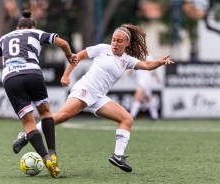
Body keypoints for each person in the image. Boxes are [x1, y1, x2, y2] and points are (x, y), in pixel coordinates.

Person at [12, 23, 174, 173]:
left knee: (127, 119)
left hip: (98, 97)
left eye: (119, 41)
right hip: (85, 89)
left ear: (127, 44)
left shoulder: (127, 60)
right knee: (62, 116)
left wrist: (160, 62)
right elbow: (79, 56)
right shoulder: (103, 49)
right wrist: (66, 75)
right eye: (113, 40)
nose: (115, 44)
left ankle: (118, 156)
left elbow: (146, 66)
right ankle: (26, 135)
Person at [0, 10, 76, 178]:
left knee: (29, 122)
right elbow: (63, 43)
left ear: (17, 27)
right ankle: (53, 153)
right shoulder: (37, 33)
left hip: (11, 77)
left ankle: (45, 158)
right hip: (33, 73)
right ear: (33, 26)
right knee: (46, 113)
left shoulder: (5, 38)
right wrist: (69, 56)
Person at [128, 55, 162, 120]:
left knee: (137, 97)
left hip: (145, 80)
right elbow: (132, 67)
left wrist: (157, 78)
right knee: (148, 98)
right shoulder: (137, 57)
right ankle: (155, 116)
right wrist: (125, 74)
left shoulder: (148, 57)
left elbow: (154, 67)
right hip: (143, 80)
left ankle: (132, 116)